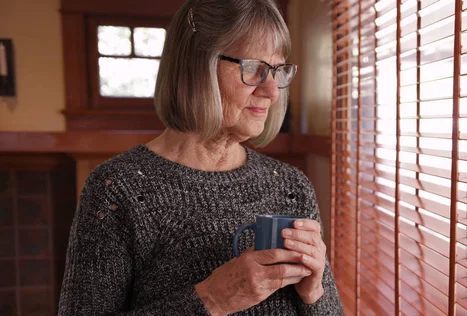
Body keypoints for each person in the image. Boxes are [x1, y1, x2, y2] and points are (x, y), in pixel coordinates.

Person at [58, 0, 343, 315]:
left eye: (277, 70)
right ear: (196, 67)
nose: (272, 92)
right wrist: (212, 299)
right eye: (253, 68)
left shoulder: (291, 186)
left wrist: (314, 292)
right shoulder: (119, 190)